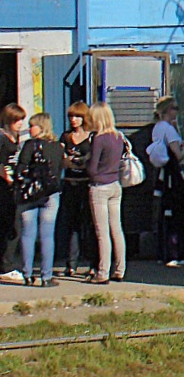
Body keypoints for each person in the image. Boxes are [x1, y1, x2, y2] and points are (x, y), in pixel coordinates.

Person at [15, 114, 64, 287]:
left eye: (32, 125)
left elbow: (20, 169)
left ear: (41, 127)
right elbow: (58, 171)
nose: (29, 129)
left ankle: (27, 274)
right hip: (51, 194)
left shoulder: (29, 145)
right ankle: (46, 277)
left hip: (30, 195)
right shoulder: (58, 147)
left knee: (28, 234)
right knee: (47, 236)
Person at [86, 102, 127, 284]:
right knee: (116, 229)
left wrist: (84, 164)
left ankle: (103, 272)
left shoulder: (99, 138)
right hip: (115, 184)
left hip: (99, 186)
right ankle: (120, 269)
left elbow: (93, 169)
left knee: (102, 232)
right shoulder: (118, 136)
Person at [150, 97, 184, 268]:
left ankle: (164, 252)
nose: (177, 111)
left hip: (161, 174)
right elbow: (178, 154)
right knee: (178, 213)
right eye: (175, 108)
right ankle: (179, 252)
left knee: (164, 214)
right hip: (173, 175)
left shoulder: (157, 128)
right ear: (168, 110)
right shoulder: (170, 130)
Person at [58, 102, 96, 278]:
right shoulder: (65, 137)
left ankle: (92, 263)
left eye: (77, 116)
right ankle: (71, 263)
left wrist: (80, 160)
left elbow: (91, 161)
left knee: (89, 224)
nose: (74, 120)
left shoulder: (92, 137)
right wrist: (74, 161)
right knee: (71, 225)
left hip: (86, 183)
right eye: (71, 117)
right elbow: (63, 161)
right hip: (70, 183)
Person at [0, 103, 25, 283]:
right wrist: (6, 177)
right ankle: (5, 266)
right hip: (3, 186)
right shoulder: (2, 137)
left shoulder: (15, 138)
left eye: (22, 120)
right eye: (16, 120)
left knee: (12, 225)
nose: (20, 124)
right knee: (10, 226)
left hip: (12, 187)